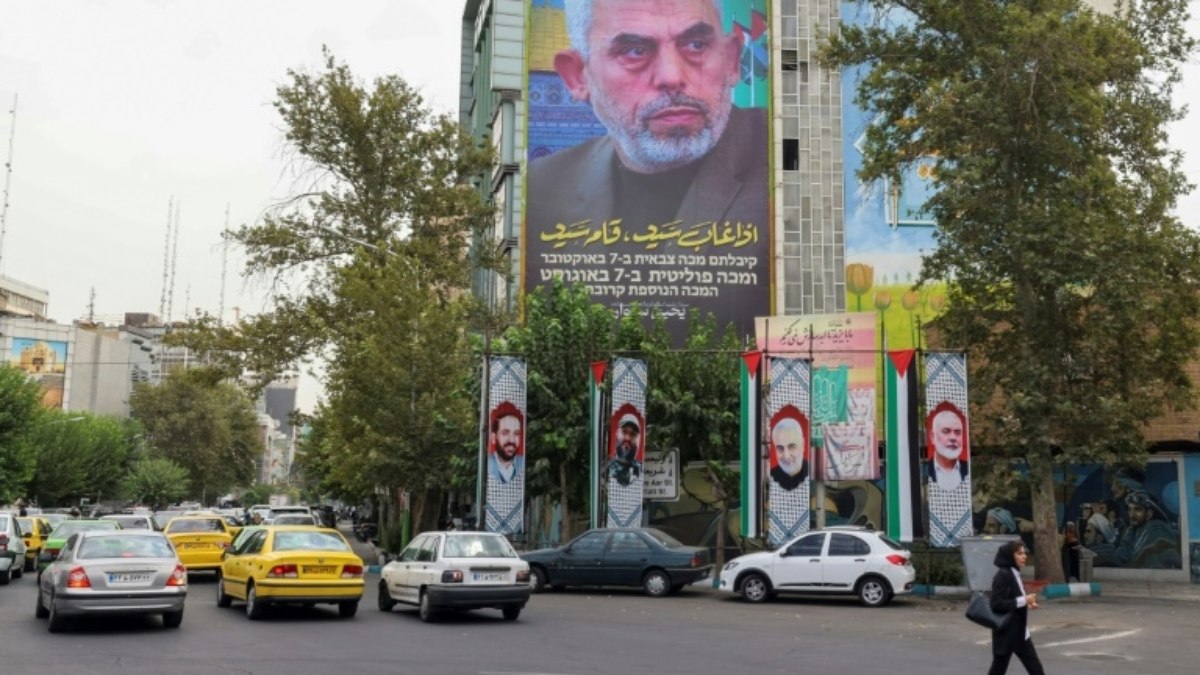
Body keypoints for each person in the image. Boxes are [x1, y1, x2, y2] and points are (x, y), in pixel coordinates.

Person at [526, 0, 769, 236]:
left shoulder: (782, 160)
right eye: (636, 51)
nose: (672, 77)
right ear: (578, 77)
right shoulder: (539, 193)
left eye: (696, 45)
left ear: (731, 61)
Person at [987, 540, 1046, 675]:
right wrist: (1023, 600)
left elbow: (1014, 598)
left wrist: (1027, 602)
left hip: (1020, 632)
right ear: (1010, 556)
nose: (1024, 556)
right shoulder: (1003, 575)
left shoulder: (1014, 572)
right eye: (1020, 553)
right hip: (1006, 633)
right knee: (998, 669)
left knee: (1036, 669)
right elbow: (996, 604)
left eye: (1024, 553)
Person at [1113, 490, 1180, 569]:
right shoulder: (1133, 530)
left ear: (1149, 514)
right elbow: (1119, 557)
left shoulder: (1157, 530)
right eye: (1130, 509)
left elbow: (1147, 567)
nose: (1131, 515)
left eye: (1137, 509)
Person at [927, 408, 969, 491]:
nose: (953, 438)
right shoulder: (924, 470)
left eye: (957, 432)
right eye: (946, 431)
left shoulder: (969, 469)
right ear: (932, 437)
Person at [488, 402, 525, 485]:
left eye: (516, 433)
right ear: (493, 438)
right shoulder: (486, 465)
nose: (511, 440)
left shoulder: (524, 464)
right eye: (505, 433)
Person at [769, 415, 808, 490]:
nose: (786, 456)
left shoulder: (812, 474)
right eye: (780, 448)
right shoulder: (771, 476)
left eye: (792, 447)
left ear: (803, 444)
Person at [609, 413, 643, 487]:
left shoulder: (641, 470)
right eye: (624, 432)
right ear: (617, 433)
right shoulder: (607, 470)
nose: (627, 438)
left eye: (632, 434)